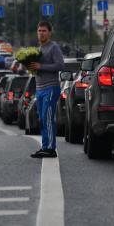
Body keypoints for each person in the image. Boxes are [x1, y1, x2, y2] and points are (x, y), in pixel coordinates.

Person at [29, 21, 65, 158]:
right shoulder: (39, 49)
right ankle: (45, 147)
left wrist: (41, 67)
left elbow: (60, 65)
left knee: (48, 118)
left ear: (49, 32)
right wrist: (31, 67)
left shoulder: (53, 47)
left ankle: (51, 148)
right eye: (39, 31)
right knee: (42, 119)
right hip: (39, 89)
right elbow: (37, 68)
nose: (41, 33)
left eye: (44, 31)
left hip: (51, 87)